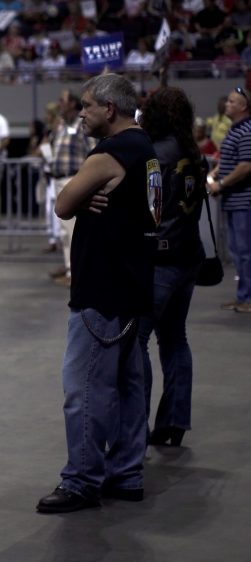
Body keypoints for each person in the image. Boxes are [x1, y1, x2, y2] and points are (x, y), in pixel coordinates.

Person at [39, 73, 159, 513]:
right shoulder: (145, 149)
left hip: (102, 288)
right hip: (132, 284)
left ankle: (83, 480)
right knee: (128, 385)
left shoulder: (113, 151)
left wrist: (82, 191)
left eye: (87, 106)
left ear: (109, 108)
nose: (81, 114)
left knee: (85, 388)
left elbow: (63, 203)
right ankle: (126, 474)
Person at [133, 87, 207, 448]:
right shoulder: (193, 153)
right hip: (188, 256)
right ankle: (174, 422)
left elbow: (147, 210)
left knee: (136, 341)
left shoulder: (154, 156)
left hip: (160, 259)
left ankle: (135, 427)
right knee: (175, 338)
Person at [208, 87, 251, 313]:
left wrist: (222, 183)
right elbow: (230, 160)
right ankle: (242, 296)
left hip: (244, 201)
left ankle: (248, 298)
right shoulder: (234, 130)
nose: (227, 104)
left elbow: (246, 166)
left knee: (246, 253)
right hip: (234, 201)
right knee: (237, 253)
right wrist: (216, 172)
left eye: (233, 102)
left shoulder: (246, 131)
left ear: (243, 107)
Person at [48, 89, 98, 285]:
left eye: (62, 100)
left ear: (72, 104)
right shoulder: (62, 126)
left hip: (74, 179)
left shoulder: (81, 125)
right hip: (59, 180)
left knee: (73, 228)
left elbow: (93, 154)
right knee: (64, 230)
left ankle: (76, 272)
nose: (59, 103)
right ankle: (70, 269)